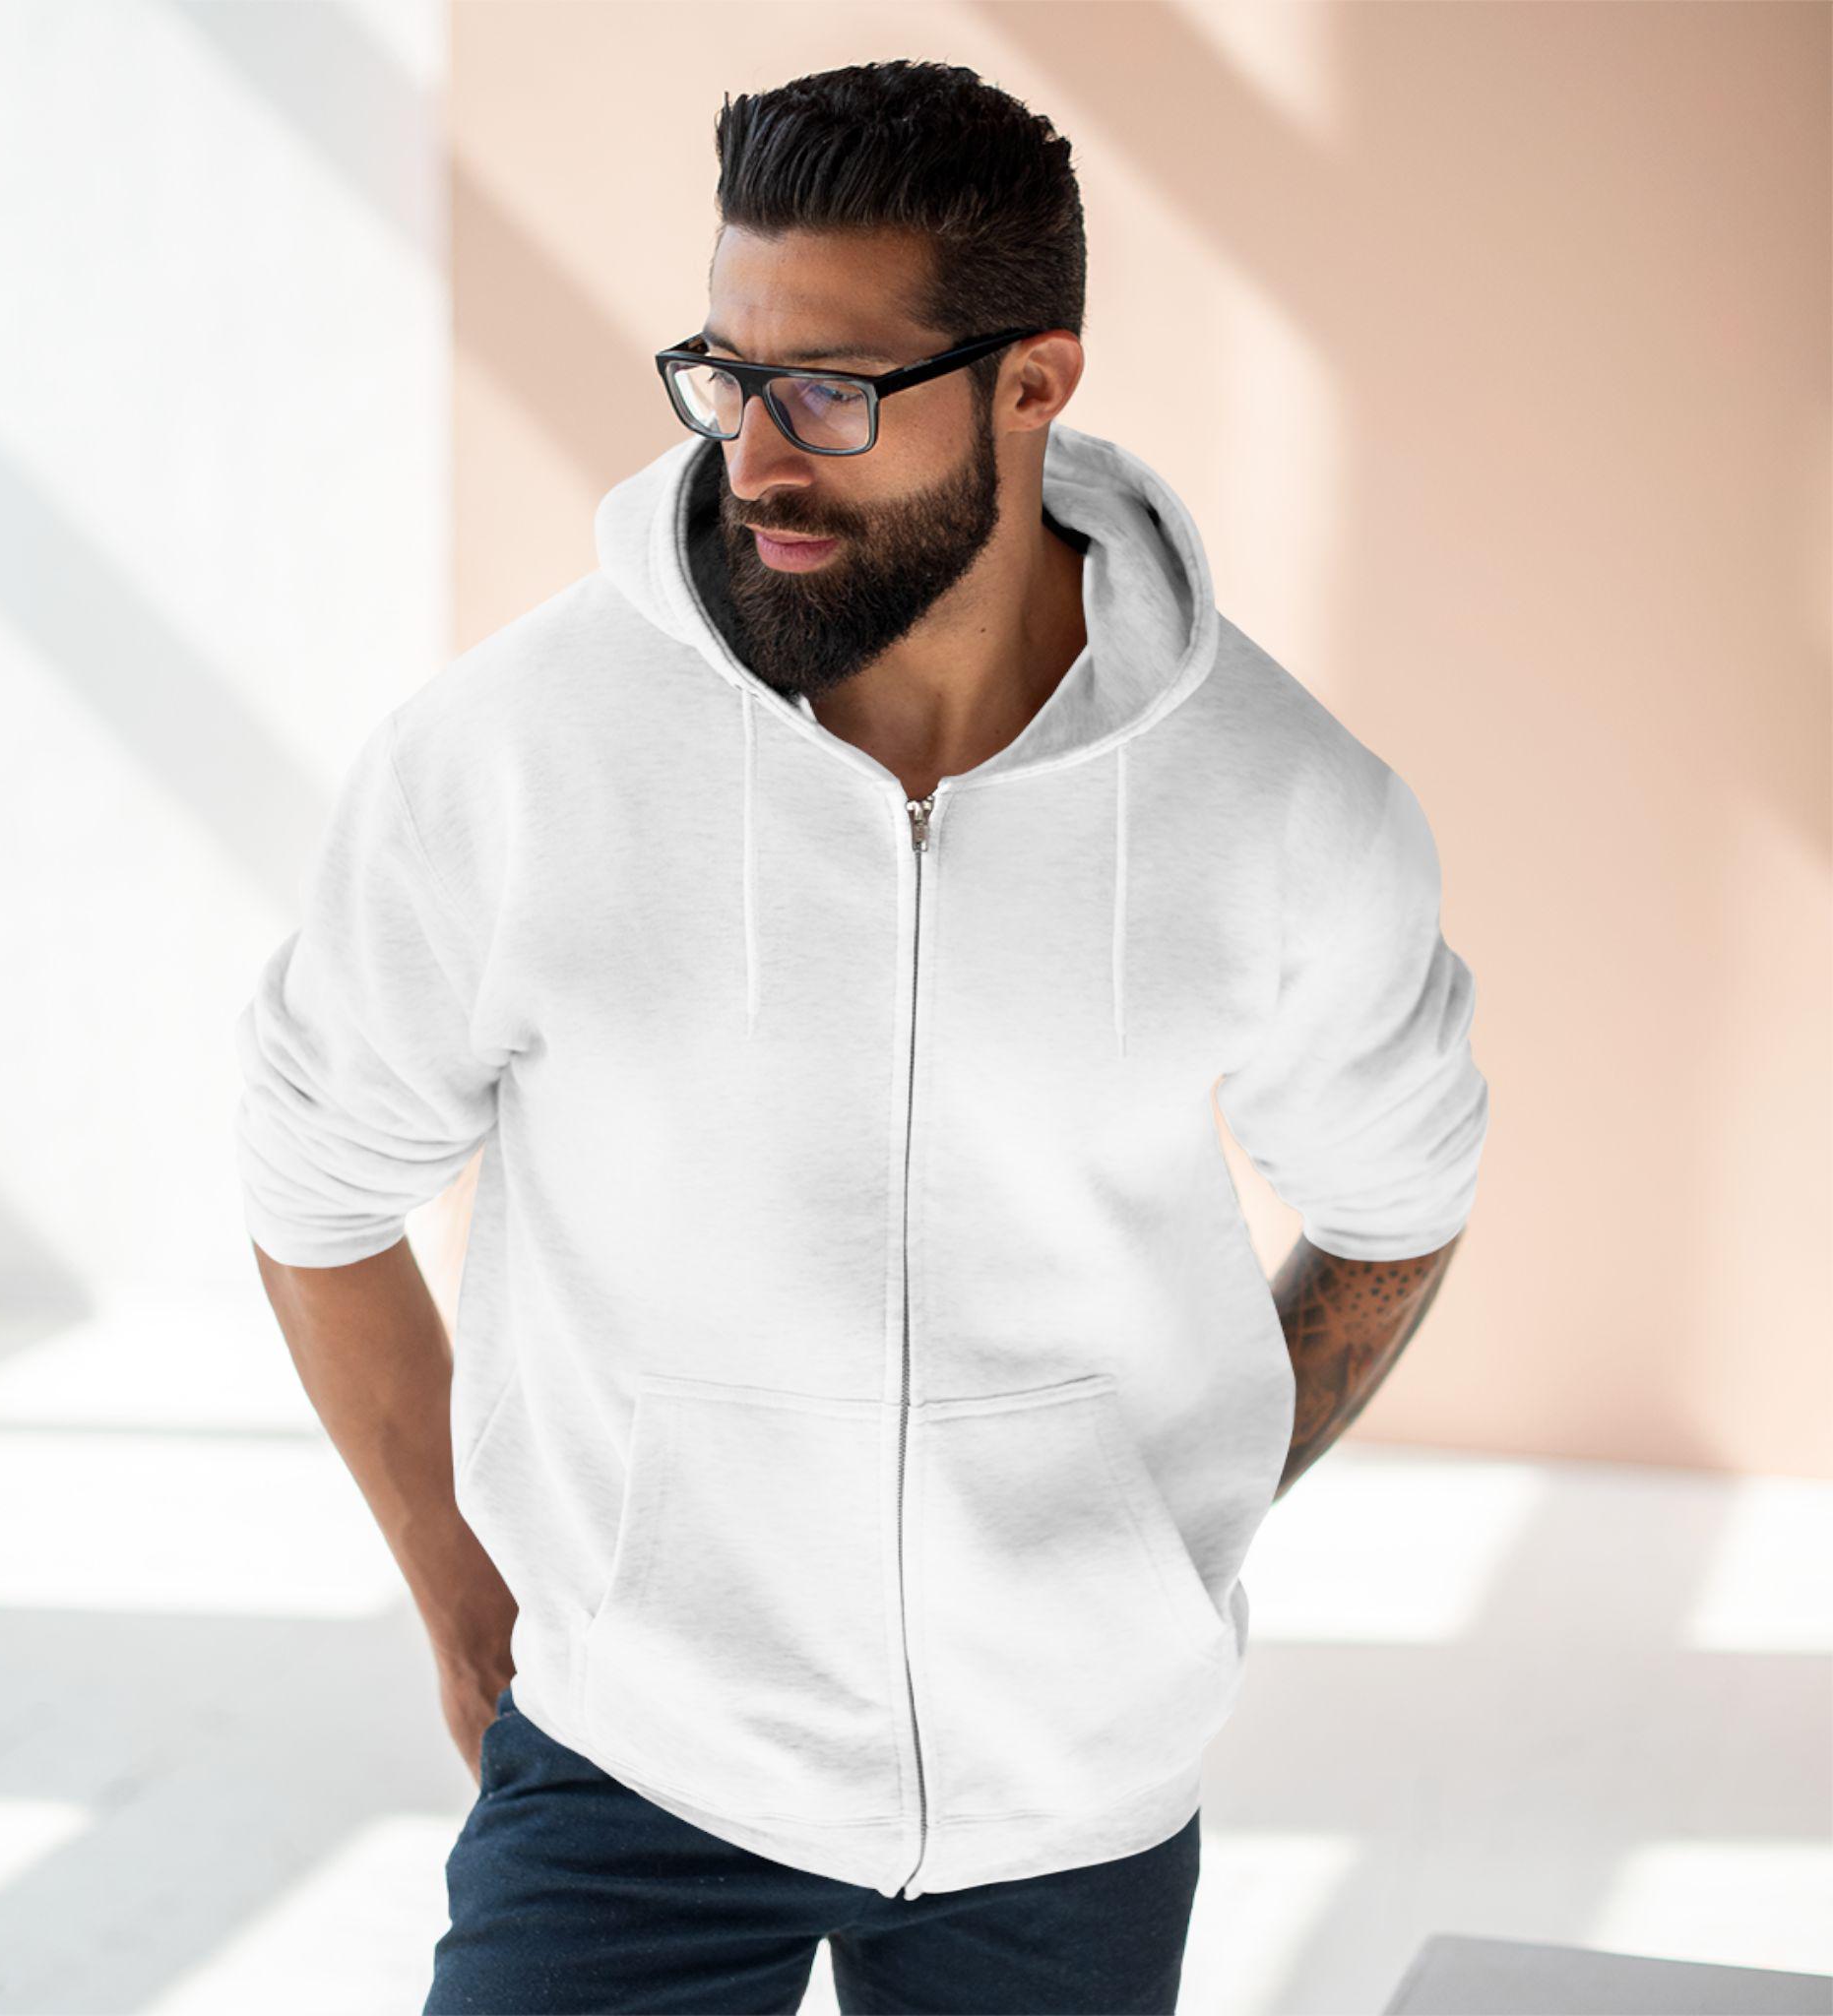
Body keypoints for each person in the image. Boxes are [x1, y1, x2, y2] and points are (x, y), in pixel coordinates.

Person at [232, 57, 1490, 2016]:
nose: (753, 456)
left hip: (1071, 1809)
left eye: (829, 389)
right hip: (632, 1772)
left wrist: (1154, 1537)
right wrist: (462, 1587)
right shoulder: (519, 756)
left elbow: (1398, 1194)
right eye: (725, 374)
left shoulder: (1277, 802)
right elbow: (314, 1177)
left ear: (1033, 384)